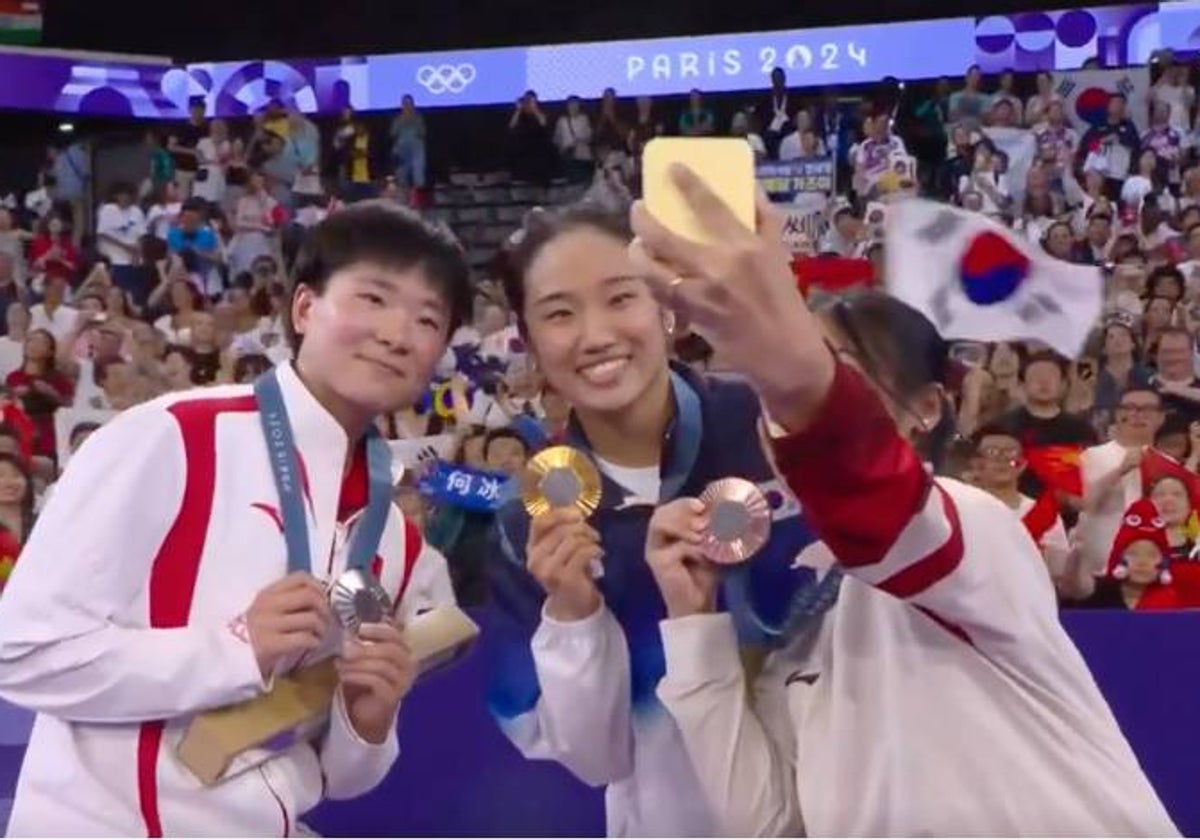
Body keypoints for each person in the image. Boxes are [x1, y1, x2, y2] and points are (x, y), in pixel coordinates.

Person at [625, 166, 1175, 835]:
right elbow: (766, 824)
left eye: (846, 374)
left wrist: (793, 368)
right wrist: (693, 625)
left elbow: (876, 499)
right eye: (770, 387)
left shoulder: (977, 528)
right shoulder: (796, 607)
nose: (779, 406)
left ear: (927, 409)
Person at [0, 202, 471, 835]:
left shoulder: (393, 535)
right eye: (374, 299)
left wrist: (367, 720)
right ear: (305, 308)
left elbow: (337, 777)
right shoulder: (171, 438)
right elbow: (21, 652)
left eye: (427, 319)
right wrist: (234, 648)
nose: (397, 333)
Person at [484, 205, 822, 837]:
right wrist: (574, 613)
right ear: (527, 344)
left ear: (668, 307)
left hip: (853, 806)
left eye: (620, 298)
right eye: (560, 313)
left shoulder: (773, 424)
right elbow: (595, 761)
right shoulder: (525, 526)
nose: (595, 334)